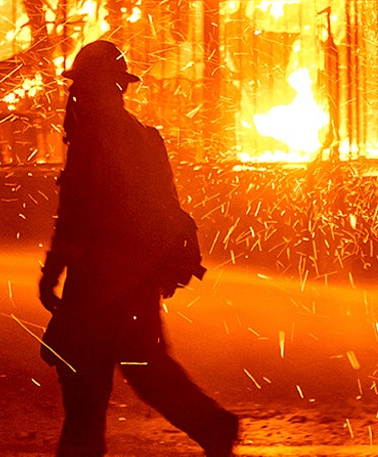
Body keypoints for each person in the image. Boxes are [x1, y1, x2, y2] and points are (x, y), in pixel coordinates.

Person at [38, 39, 238, 457]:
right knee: (144, 367)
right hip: (136, 281)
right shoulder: (145, 138)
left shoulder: (92, 140)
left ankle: (210, 427)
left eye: (83, 86)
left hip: (96, 284)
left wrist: (51, 273)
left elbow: (74, 214)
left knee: (84, 383)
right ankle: (213, 425)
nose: (76, 95)